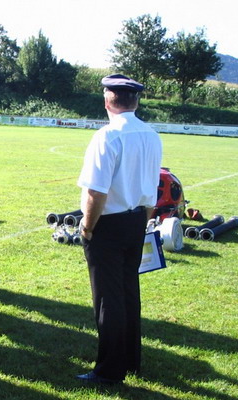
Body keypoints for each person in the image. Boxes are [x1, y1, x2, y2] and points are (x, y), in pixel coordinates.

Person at [75, 74, 162, 384]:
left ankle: (110, 369)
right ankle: (130, 361)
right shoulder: (152, 135)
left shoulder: (107, 136)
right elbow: (153, 187)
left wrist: (87, 227)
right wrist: (144, 218)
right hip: (137, 219)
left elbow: (95, 192)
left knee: (107, 299)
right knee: (128, 293)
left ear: (107, 100)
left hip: (108, 225)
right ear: (135, 101)